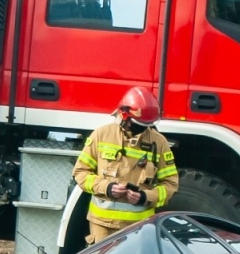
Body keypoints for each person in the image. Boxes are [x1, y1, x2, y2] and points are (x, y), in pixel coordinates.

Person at [75, 85, 179, 244]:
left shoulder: (158, 142)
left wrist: (145, 197)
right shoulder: (101, 135)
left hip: (140, 229)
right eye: (138, 124)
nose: (143, 130)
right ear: (124, 115)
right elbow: (81, 173)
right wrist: (107, 187)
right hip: (103, 227)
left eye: (147, 126)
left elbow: (170, 185)